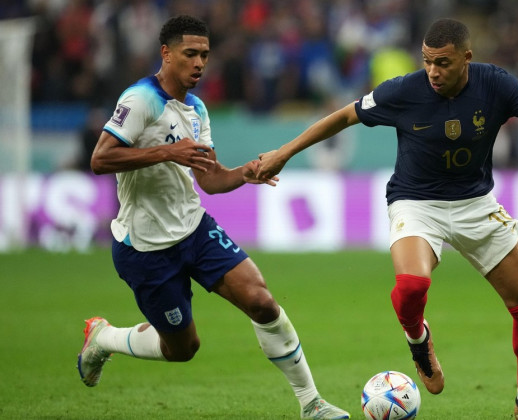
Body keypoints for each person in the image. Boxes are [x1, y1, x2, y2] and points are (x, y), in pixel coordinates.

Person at [257, 18, 518, 420]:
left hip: (476, 203)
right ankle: (418, 340)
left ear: (466, 58)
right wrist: (284, 152)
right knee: (411, 286)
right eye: (427, 61)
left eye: (442, 62)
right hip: (415, 202)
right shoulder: (405, 90)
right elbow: (342, 117)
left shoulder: (496, 84)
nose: (433, 72)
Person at [77, 15, 349, 420]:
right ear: (166, 54)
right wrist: (167, 152)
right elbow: (100, 159)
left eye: (205, 54)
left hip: (194, 228)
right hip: (146, 248)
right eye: (190, 54)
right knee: (183, 349)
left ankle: (311, 404)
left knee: (261, 301)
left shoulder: (197, 108)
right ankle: (105, 337)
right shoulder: (140, 100)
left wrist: (247, 173)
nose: (200, 63)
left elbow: (210, 180)